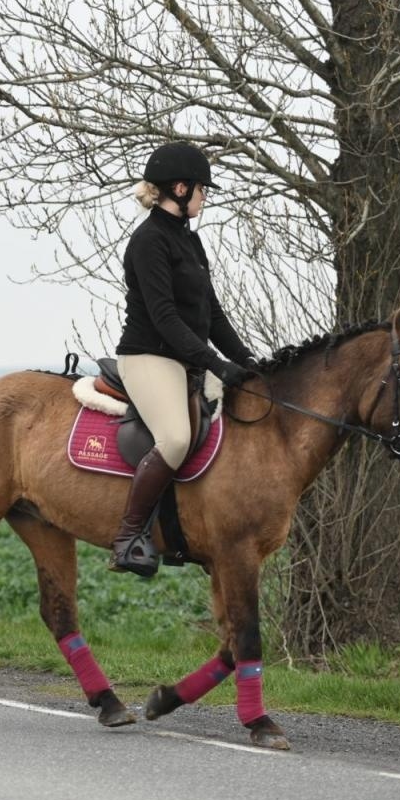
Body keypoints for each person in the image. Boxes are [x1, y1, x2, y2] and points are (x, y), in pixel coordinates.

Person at [109, 142, 257, 577]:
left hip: (185, 359)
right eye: (201, 190)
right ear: (180, 188)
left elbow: (211, 314)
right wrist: (214, 363)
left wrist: (245, 361)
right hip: (149, 357)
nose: (204, 197)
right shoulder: (149, 242)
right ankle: (128, 536)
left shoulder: (190, 243)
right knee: (174, 438)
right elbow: (165, 318)